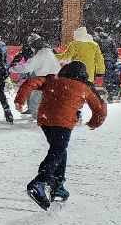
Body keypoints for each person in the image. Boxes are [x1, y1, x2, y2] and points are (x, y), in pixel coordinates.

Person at [15, 61, 106, 208]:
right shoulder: (84, 87)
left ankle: (57, 187)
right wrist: (95, 122)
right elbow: (100, 107)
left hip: (45, 120)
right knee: (57, 152)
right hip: (63, 123)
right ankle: (40, 182)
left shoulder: (51, 79)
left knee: (59, 150)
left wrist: (20, 100)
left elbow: (30, 82)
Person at [11, 36, 59, 117]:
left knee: (33, 93)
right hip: (55, 78)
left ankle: (38, 114)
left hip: (42, 77)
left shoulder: (39, 56)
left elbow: (26, 68)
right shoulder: (50, 52)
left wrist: (12, 68)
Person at [58, 26, 105, 91]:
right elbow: (99, 59)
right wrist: (100, 71)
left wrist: (53, 56)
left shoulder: (75, 44)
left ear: (77, 35)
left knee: (76, 92)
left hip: (77, 73)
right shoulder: (94, 45)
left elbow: (66, 56)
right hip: (89, 75)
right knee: (88, 92)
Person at [94, 28, 121, 102]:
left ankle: (93, 96)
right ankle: (112, 95)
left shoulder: (95, 39)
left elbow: (95, 50)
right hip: (109, 60)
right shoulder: (110, 39)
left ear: (96, 32)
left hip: (100, 60)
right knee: (109, 77)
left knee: (92, 77)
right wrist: (113, 60)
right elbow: (115, 51)